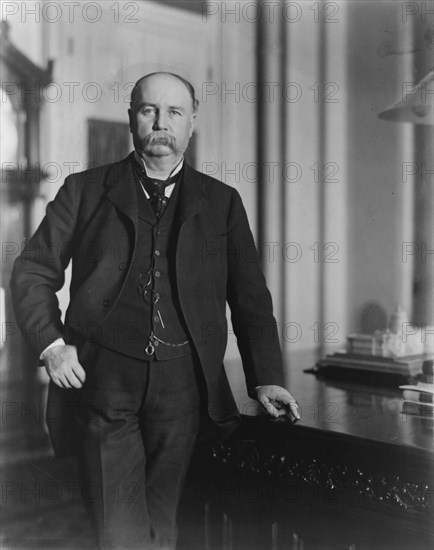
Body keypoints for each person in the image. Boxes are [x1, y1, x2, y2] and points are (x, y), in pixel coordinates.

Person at [11, 72, 299, 550]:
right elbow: (31, 271)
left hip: (186, 391)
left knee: (164, 533)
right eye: (149, 111)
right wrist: (52, 346)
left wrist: (264, 377)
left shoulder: (223, 203)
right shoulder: (83, 191)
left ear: (192, 123)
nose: (160, 123)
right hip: (103, 387)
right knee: (119, 536)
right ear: (131, 118)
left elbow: (249, 297)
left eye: (174, 113)